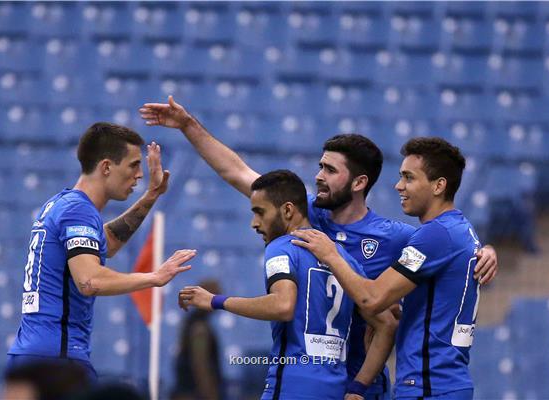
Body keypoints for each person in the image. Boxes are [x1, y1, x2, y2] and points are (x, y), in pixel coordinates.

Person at [139, 96, 498, 399]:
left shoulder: (396, 237)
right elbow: (237, 172)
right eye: (320, 167)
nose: (319, 176)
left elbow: (443, 249)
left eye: (330, 170)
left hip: (361, 385)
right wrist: (188, 126)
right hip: (317, 380)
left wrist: (484, 251)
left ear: (358, 182)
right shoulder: (305, 215)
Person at [292, 137, 486, 399]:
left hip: (429, 384)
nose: (399, 186)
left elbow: (371, 298)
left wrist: (331, 254)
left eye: (409, 178)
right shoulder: (459, 231)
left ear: (439, 185)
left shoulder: (436, 235)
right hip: (443, 381)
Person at [7, 122, 196, 382]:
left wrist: (151, 196)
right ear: (106, 167)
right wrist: (154, 277)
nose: (139, 175)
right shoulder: (78, 211)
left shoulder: (60, 204)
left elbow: (103, 243)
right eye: (133, 165)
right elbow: (89, 280)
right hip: (57, 358)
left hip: (34, 351)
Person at [179, 170, 386, 400]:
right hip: (335, 390)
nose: (254, 224)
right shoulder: (347, 261)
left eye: (260, 212)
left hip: (291, 387)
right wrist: (359, 386)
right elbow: (387, 324)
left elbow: (283, 305)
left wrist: (215, 301)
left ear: (287, 210)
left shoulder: (282, 247)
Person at [172, 279, 223, 400]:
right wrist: (209, 393)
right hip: (193, 392)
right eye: (216, 296)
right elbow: (200, 362)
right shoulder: (199, 328)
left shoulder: (192, 323)